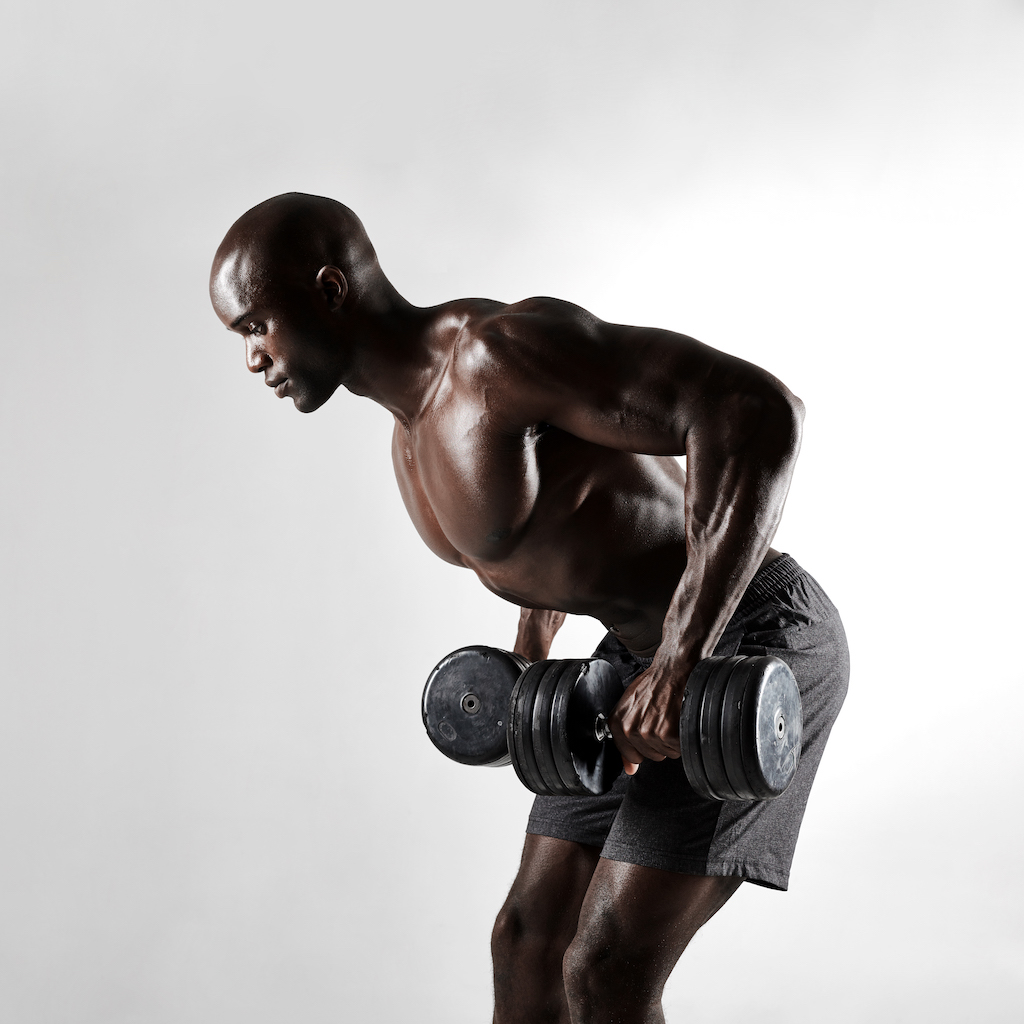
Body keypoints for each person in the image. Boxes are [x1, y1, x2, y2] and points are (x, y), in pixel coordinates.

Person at [210, 192, 849, 1024]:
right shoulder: (409, 439)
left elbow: (754, 412)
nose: (253, 357)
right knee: (526, 944)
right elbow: (556, 539)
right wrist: (531, 656)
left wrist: (680, 661)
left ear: (330, 289)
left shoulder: (496, 355)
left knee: (606, 968)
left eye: (258, 326)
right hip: (632, 663)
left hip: (748, 638)